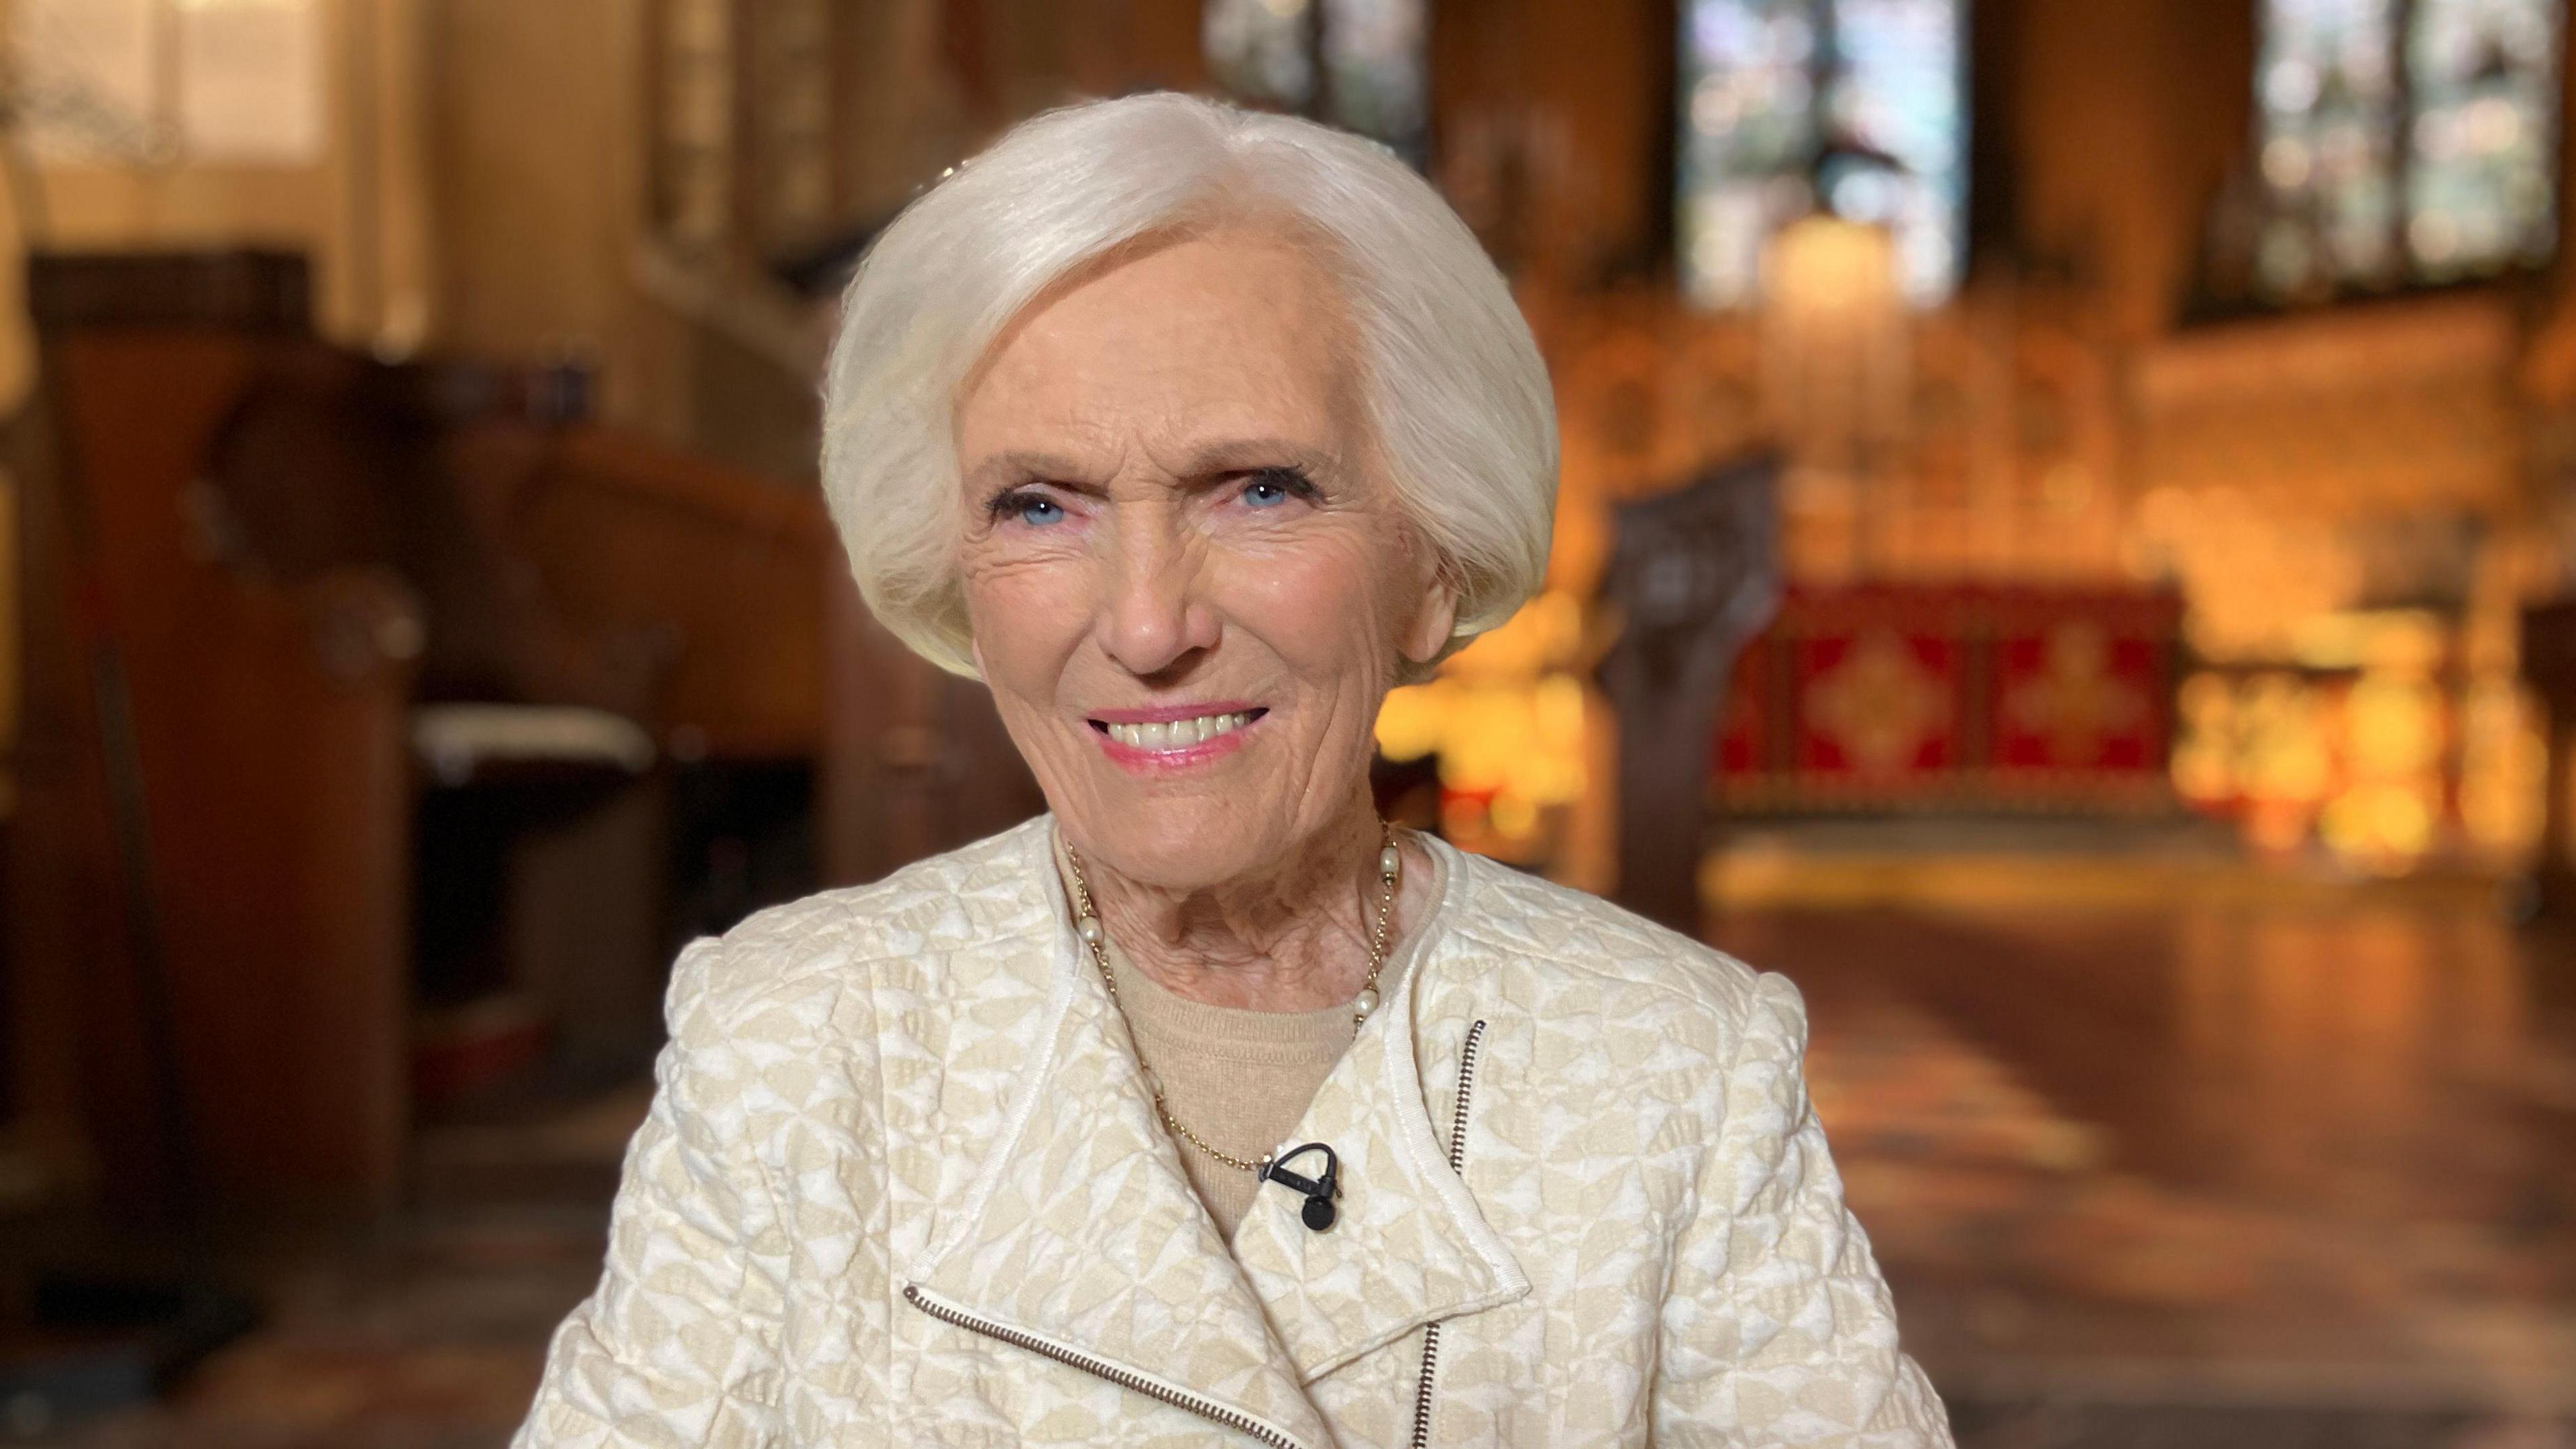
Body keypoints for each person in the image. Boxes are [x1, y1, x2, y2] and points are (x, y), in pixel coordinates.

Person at [515, 91, 1950, 1447]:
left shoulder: (1674, 1067)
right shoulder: (792, 1040)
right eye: (1041, 503)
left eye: (1259, 490)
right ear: (957, 575)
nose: (1147, 626)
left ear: (1431, 566)